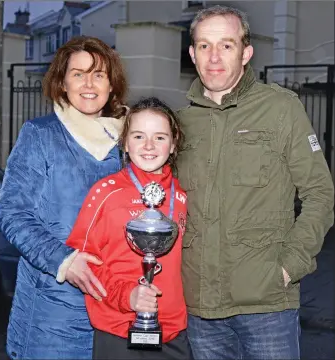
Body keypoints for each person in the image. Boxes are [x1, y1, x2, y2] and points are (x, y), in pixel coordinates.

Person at [177, 5, 334, 360]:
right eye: (204, 46)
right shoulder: (179, 122)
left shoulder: (281, 108)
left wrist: (288, 267)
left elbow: (320, 193)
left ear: (246, 53)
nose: (214, 57)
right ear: (192, 53)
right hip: (199, 307)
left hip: (266, 306)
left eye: (226, 45)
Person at [0, 36, 128, 359]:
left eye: (99, 74)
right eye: (78, 74)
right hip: (51, 316)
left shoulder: (127, 142)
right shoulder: (40, 135)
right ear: (62, 82)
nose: (88, 83)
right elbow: (11, 213)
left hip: (112, 313)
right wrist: (64, 261)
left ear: (111, 86)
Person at [66, 97, 192, 360]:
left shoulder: (182, 195)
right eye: (138, 136)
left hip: (172, 331)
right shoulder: (105, 192)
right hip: (117, 330)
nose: (148, 146)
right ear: (124, 142)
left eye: (159, 137)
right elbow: (81, 263)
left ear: (173, 144)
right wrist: (127, 296)